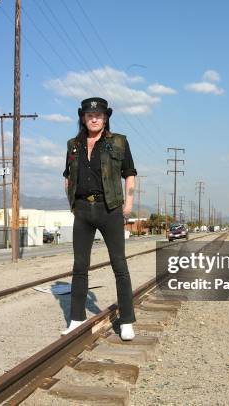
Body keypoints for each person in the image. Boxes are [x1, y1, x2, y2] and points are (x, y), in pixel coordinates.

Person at [61, 97, 137, 341]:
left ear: (105, 118)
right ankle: (76, 319)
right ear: (83, 117)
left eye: (99, 115)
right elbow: (67, 177)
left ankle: (126, 321)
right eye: (89, 114)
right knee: (79, 266)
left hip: (110, 208)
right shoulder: (73, 145)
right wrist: (72, 204)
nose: (94, 118)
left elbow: (130, 175)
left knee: (119, 265)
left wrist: (128, 205)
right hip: (82, 210)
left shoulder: (119, 142)